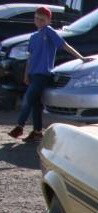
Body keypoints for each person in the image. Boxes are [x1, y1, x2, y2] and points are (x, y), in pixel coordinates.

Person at [7, 6, 91, 143]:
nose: (39, 21)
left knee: (28, 99)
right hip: (33, 74)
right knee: (35, 103)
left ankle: (19, 126)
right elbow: (30, 57)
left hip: (43, 74)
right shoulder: (34, 37)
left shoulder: (49, 32)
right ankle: (37, 131)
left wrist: (81, 57)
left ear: (48, 20)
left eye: (42, 19)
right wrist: (26, 74)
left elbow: (64, 45)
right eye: (36, 18)